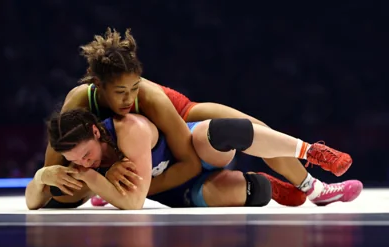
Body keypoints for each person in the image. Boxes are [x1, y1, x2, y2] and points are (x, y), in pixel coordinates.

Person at [37, 27, 361, 208]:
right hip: (137, 152)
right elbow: (56, 165)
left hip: (182, 117)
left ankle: (314, 187)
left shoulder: (151, 97)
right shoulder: (79, 102)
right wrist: (49, 179)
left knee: (252, 129)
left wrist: (132, 189)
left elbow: (190, 161)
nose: (129, 99)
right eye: (120, 92)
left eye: (134, 88)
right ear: (99, 87)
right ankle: (265, 187)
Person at [26, 106, 361, 210]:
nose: (83, 164)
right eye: (76, 160)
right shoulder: (77, 160)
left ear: (97, 133)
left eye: (86, 155)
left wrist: (97, 182)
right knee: (253, 194)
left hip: (193, 151)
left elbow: (134, 202)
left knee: (220, 131)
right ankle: (269, 185)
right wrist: (43, 177)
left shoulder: (131, 127)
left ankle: (311, 153)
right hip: (178, 186)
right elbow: (34, 202)